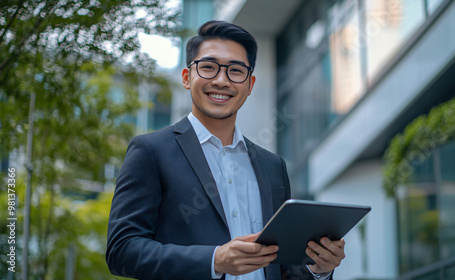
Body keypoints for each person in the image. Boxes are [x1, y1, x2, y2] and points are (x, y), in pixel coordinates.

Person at [106, 20, 345, 280]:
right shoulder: (151, 151)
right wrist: (214, 260)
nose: (221, 81)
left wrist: (317, 268)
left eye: (235, 71)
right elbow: (122, 251)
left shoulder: (273, 166)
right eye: (208, 67)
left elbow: (280, 268)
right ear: (187, 77)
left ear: (250, 84)